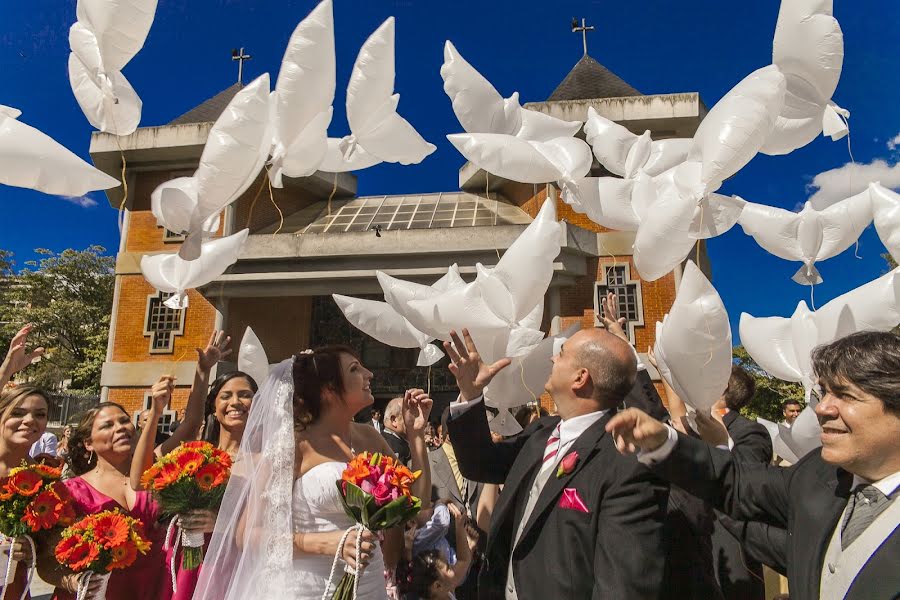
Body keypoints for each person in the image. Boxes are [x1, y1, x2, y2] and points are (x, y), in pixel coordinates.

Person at [606, 330, 900, 600]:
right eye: (824, 394)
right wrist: (665, 443)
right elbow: (737, 483)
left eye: (846, 395)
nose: (822, 409)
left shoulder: (750, 432)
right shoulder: (818, 475)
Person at [192, 346, 434, 600]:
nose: (369, 374)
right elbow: (248, 535)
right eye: (355, 369)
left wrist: (416, 436)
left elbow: (417, 505)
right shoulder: (293, 446)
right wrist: (327, 543)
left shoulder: (369, 437)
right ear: (328, 389)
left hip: (368, 585)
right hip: (311, 588)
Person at [444, 328, 668, 600]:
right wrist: (470, 395)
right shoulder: (542, 432)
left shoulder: (626, 462)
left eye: (561, 354)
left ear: (580, 377)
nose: (552, 360)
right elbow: (479, 465)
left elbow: (622, 586)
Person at [37, 331, 228, 600]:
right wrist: (72, 581)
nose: (121, 428)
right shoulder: (68, 492)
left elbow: (191, 425)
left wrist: (202, 369)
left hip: (157, 585)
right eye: (108, 425)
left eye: (124, 421)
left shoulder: (153, 468)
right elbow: (46, 561)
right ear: (88, 443)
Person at [130, 333, 242, 600]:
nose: (236, 402)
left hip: (234, 563)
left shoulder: (268, 458)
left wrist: (223, 523)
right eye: (225, 396)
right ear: (214, 409)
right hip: (185, 563)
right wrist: (202, 370)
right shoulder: (192, 454)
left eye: (246, 395)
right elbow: (140, 481)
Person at [0, 385, 53, 600]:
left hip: (12, 587)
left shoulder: (46, 478)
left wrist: (33, 551)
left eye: (40, 414)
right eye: (18, 413)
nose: (30, 420)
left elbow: (49, 545)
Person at [403, 503, 480, 600]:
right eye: (448, 568)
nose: (453, 566)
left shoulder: (445, 590)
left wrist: (461, 528)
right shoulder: (448, 588)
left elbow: (463, 561)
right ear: (437, 585)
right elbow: (464, 561)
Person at [382, 396, 411, 464]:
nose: (414, 421)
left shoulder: (380, 440)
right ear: (394, 420)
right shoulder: (393, 447)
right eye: (410, 416)